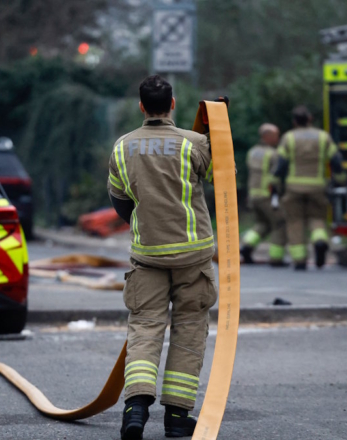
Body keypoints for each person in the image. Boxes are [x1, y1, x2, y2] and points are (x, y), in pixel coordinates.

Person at [108, 75, 217, 440]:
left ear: (141, 106)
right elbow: (224, 180)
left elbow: (120, 200)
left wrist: (145, 226)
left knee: (145, 328)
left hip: (147, 255)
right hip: (193, 255)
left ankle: (134, 410)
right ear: (172, 104)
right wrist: (219, 134)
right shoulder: (194, 143)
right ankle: (176, 418)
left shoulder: (122, 147)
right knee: (189, 330)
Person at [275, 106, 346, 270]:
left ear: (294, 121)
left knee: (295, 222)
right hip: (317, 186)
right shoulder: (323, 137)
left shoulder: (289, 138)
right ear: (310, 119)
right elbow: (336, 160)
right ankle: (320, 241)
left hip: (293, 187)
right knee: (317, 219)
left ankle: (300, 260)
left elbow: (281, 164)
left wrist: (276, 183)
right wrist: (341, 179)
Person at [240, 123, 287, 266]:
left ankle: (246, 247)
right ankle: (276, 258)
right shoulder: (273, 154)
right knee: (280, 224)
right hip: (267, 196)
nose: (278, 138)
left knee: (262, 223)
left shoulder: (253, 152)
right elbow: (276, 177)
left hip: (254, 196)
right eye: (276, 135)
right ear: (267, 136)